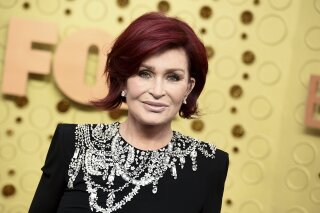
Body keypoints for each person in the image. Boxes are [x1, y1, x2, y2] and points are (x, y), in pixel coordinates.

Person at [29, 12, 229, 213]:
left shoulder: (210, 165)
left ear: (188, 87)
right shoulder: (71, 143)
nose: (157, 91)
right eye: (144, 74)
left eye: (173, 77)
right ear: (123, 80)